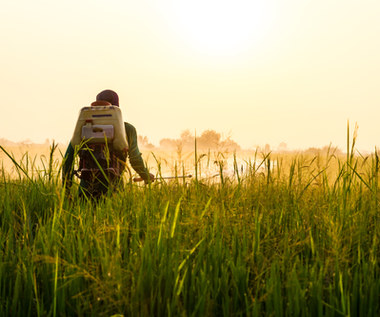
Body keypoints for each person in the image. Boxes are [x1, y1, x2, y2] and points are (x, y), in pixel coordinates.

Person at [62, 89, 154, 199]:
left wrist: (66, 192)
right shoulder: (128, 129)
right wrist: (145, 175)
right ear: (117, 108)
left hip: (85, 193)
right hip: (114, 194)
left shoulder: (83, 128)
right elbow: (135, 159)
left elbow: (67, 160)